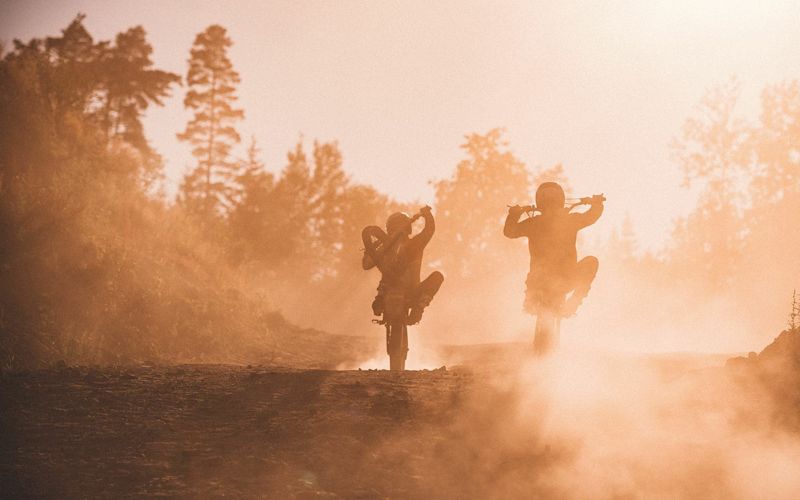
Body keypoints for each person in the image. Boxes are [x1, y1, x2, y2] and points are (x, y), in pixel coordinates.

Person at [504, 182, 604, 317]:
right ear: (561, 200)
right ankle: (573, 304)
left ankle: (530, 301)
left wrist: (514, 214)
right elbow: (592, 216)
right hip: (566, 279)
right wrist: (597, 203)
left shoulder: (533, 223)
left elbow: (510, 231)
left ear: (539, 201)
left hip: (539, 282)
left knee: (534, 283)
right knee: (591, 262)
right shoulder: (570, 220)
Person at [362, 206, 444, 325]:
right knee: (437, 277)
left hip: (391, 292)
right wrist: (427, 214)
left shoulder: (387, 247)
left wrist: (371, 250)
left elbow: (366, 264)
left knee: (437, 276)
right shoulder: (414, 244)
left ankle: (416, 308)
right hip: (408, 292)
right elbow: (429, 230)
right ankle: (418, 308)